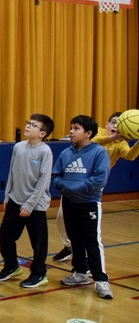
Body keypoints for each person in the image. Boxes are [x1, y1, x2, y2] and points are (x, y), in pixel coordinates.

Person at [51, 111, 139, 262]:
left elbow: (130, 156)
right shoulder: (97, 133)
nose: (115, 126)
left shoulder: (121, 144)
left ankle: (89, 257)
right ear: (106, 124)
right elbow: (94, 141)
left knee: (88, 225)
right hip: (75, 179)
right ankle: (69, 246)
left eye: (119, 124)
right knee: (61, 217)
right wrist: (113, 137)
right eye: (113, 122)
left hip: (94, 184)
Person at [51, 115, 111, 299]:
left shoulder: (99, 153)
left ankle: (101, 281)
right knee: (75, 238)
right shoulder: (66, 153)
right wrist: (62, 186)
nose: (71, 131)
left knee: (92, 240)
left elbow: (99, 178)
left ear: (88, 133)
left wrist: (77, 187)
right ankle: (80, 273)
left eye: (76, 128)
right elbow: (56, 175)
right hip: (69, 202)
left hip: (89, 203)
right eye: (71, 127)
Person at [0, 114, 54, 288]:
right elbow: (12, 173)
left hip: (35, 205)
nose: (28, 126)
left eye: (33, 125)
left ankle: (39, 273)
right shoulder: (18, 147)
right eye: (28, 123)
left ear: (42, 133)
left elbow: (44, 180)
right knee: (5, 237)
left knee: (38, 242)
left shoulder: (45, 151)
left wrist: (30, 204)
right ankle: (11, 266)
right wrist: (8, 195)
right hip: (15, 200)